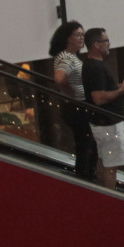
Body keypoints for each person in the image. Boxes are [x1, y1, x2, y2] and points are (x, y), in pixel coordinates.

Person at [81, 28, 124, 183]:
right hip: (108, 124)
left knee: (104, 161)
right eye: (106, 41)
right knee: (111, 166)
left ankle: (102, 194)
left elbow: (103, 89)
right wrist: (122, 90)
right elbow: (98, 97)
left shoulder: (91, 64)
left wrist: (121, 86)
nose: (109, 44)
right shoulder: (95, 67)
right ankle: (110, 198)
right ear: (97, 45)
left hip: (103, 123)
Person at [49, 20, 96, 180]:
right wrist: (70, 92)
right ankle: (85, 178)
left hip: (78, 105)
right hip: (77, 107)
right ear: (67, 38)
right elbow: (59, 78)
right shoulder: (66, 57)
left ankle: (87, 175)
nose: (81, 38)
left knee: (86, 144)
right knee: (85, 145)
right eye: (77, 35)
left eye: (83, 35)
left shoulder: (71, 56)